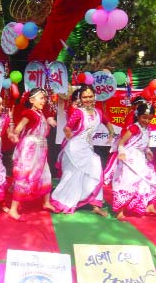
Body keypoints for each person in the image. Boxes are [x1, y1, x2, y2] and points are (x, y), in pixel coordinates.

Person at [51, 85, 114, 216]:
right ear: (80, 98)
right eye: (84, 97)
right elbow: (67, 127)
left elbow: (107, 122)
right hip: (74, 150)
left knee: (96, 172)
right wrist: (68, 133)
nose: (88, 99)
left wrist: (111, 133)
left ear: (95, 97)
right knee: (72, 177)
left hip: (87, 149)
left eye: (90, 96)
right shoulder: (78, 112)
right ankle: (67, 202)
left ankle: (96, 205)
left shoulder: (98, 113)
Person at [7, 87, 57, 221]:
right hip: (30, 150)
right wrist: (14, 135)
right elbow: (18, 129)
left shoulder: (41, 114)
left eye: (45, 98)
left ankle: (46, 202)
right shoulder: (29, 113)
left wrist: (48, 121)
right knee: (24, 176)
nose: (44, 101)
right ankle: (13, 209)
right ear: (32, 100)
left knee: (46, 174)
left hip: (40, 150)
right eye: (41, 98)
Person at [110, 102, 156, 220]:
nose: (146, 120)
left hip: (140, 158)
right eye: (144, 117)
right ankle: (120, 211)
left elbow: (145, 145)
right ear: (138, 115)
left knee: (148, 182)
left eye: (150, 118)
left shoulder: (148, 129)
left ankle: (149, 206)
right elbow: (121, 143)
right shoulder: (134, 127)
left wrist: (148, 151)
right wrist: (122, 153)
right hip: (128, 159)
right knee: (127, 183)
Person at [104, 95, 147, 184]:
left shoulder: (141, 116)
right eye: (139, 105)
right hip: (128, 142)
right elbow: (127, 130)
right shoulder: (132, 115)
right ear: (134, 105)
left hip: (136, 144)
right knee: (123, 162)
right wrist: (125, 143)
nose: (140, 107)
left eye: (143, 105)